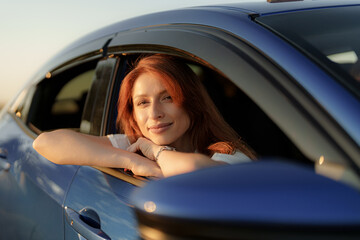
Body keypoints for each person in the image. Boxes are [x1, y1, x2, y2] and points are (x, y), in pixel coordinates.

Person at [33, 54, 256, 178]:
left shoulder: (230, 156)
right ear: (133, 114)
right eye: (142, 103)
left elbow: (199, 173)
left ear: (192, 102)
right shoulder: (138, 144)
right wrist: (131, 160)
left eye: (167, 97)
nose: (154, 114)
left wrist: (158, 153)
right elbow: (45, 142)